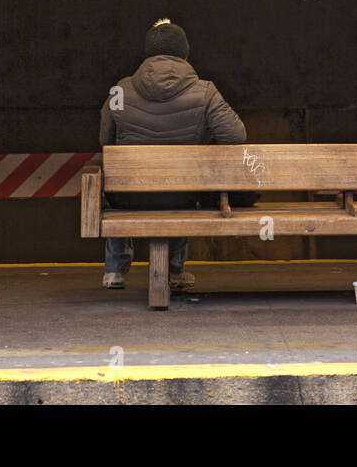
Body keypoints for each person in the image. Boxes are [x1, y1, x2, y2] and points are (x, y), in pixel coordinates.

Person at [99, 17, 248, 293]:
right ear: (184, 53)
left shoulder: (120, 89)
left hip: (128, 193)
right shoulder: (205, 91)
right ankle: (175, 271)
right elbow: (236, 136)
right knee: (182, 189)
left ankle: (115, 271)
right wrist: (202, 145)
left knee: (115, 187)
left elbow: (104, 142)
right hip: (182, 193)